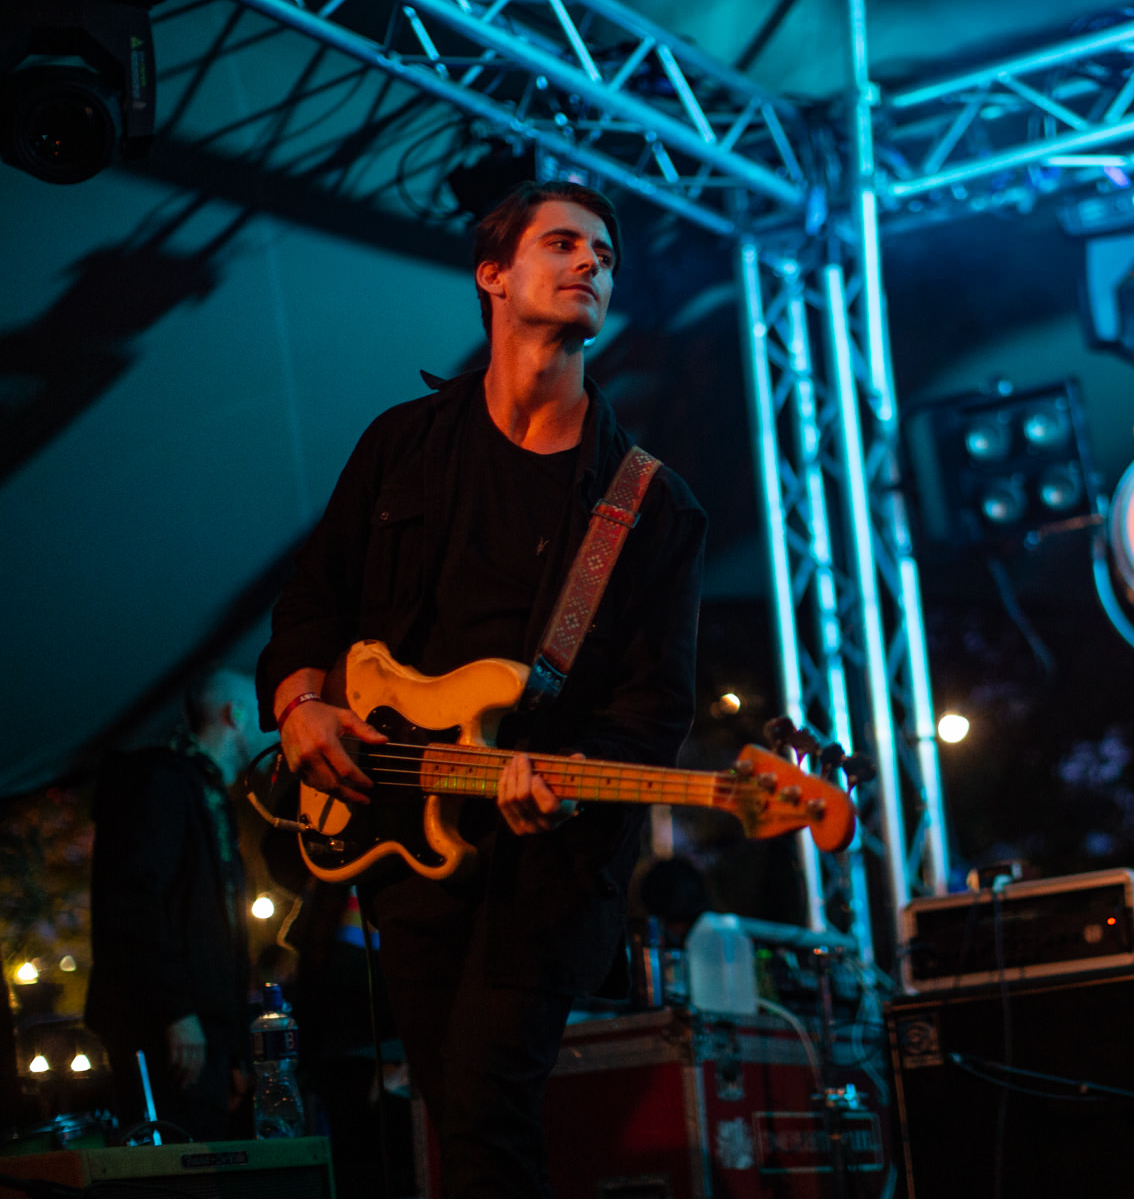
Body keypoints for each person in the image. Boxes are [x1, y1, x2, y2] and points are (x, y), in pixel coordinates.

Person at [256, 179, 705, 1199]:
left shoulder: (648, 503)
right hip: (402, 837)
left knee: (488, 1106)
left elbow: (652, 714)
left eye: (605, 253)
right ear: (492, 273)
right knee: (452, 1117)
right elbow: (314, 603)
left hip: (547, 868)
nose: (594, 263)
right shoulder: (400, 446)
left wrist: (576, 781)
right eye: (564, 243)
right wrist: (299, 700)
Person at [87, 668, 266, 1141]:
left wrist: (232, 1051)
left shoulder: (208, 795)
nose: (273, 733)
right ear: (236, 714)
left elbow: (219, 929)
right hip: (166, 1030)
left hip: (200, 1032)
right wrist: (177, 1014)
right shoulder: (159, 782)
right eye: (262, 717)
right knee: (175, 1163)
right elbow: (135, 901)